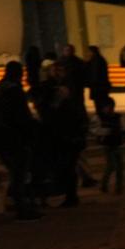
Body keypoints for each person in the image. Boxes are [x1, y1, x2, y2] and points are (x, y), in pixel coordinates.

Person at [0, 61, 42, 219]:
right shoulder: (15, 91)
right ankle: (22, 208)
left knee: (16, 173)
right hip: (16, 138)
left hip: (2, 138)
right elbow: (22, 116)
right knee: (20, 174)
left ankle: (19, 205)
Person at [38, 59, 89, 207]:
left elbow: (76, 113)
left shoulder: (70, 88)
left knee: (68, 167)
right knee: (62, 167)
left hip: (68, 135)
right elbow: (46, 110)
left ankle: (70, 196)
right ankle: (64, 194)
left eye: (60, 71)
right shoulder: (49, 88)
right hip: (58, 134)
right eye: (55, 70)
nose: (58, 73)